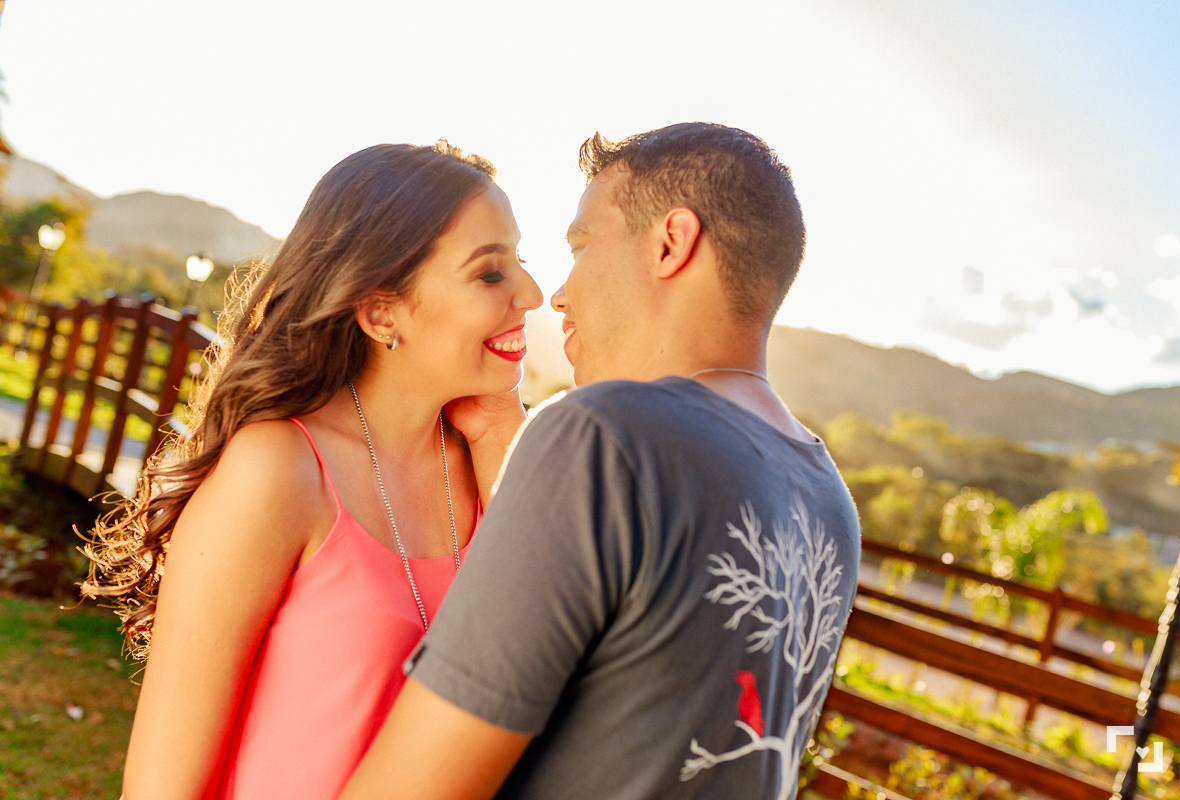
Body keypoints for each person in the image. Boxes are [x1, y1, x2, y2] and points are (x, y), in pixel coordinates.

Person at [339, 122, 861, 800]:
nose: (557, 294)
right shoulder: (828, 501)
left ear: (671, 244)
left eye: (582, 246)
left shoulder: (605, 436)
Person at [83, 142, 542, 799]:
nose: (531, 292)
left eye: (520, 260)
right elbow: (162, 788)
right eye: (490, 273)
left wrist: (501, 434)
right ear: (382, 310)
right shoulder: (276, 470)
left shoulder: (489, 464)